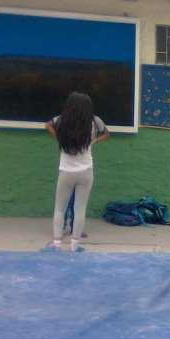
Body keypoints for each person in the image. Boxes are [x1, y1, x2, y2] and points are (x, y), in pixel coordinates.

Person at [44, 92, 109, 252]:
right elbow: (107, 133)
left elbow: (47, 125)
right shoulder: (94, 121)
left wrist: (59, 137)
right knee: (80, 209)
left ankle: (57, 244)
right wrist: (94, 141)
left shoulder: (61, 120)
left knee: (59, 208)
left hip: (66, 171)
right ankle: (75, 245)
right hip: (86, 171)